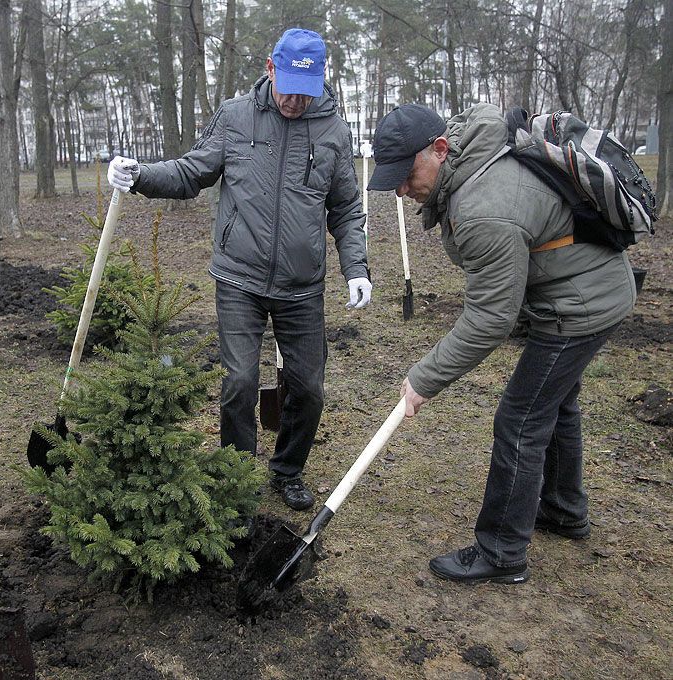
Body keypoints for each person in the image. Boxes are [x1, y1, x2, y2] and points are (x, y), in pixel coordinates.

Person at [368, 103, 636, 583]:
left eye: (406, 176)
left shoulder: (483, 208)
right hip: (586, 289)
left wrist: (424, 379)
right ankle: (563, 509)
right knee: (555, 402)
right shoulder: (472, 156)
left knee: (520, 419)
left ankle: (502, 551)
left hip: (580, 304)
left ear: (440, 149)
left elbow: (491, 317)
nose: (403, 191)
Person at [107, 28, 371, 511]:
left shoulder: (333, 131)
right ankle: (235, 476)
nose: (295, 101)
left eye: (306, 92)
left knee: (309, 388)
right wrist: (141, 175)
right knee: (240, 384)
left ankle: (287, 470)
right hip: (239, 279)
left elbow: (347, 208)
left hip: (302, 286)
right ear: (270, 69)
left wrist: (356, 267)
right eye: (288, 88)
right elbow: (191, 173)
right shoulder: (235, 116)